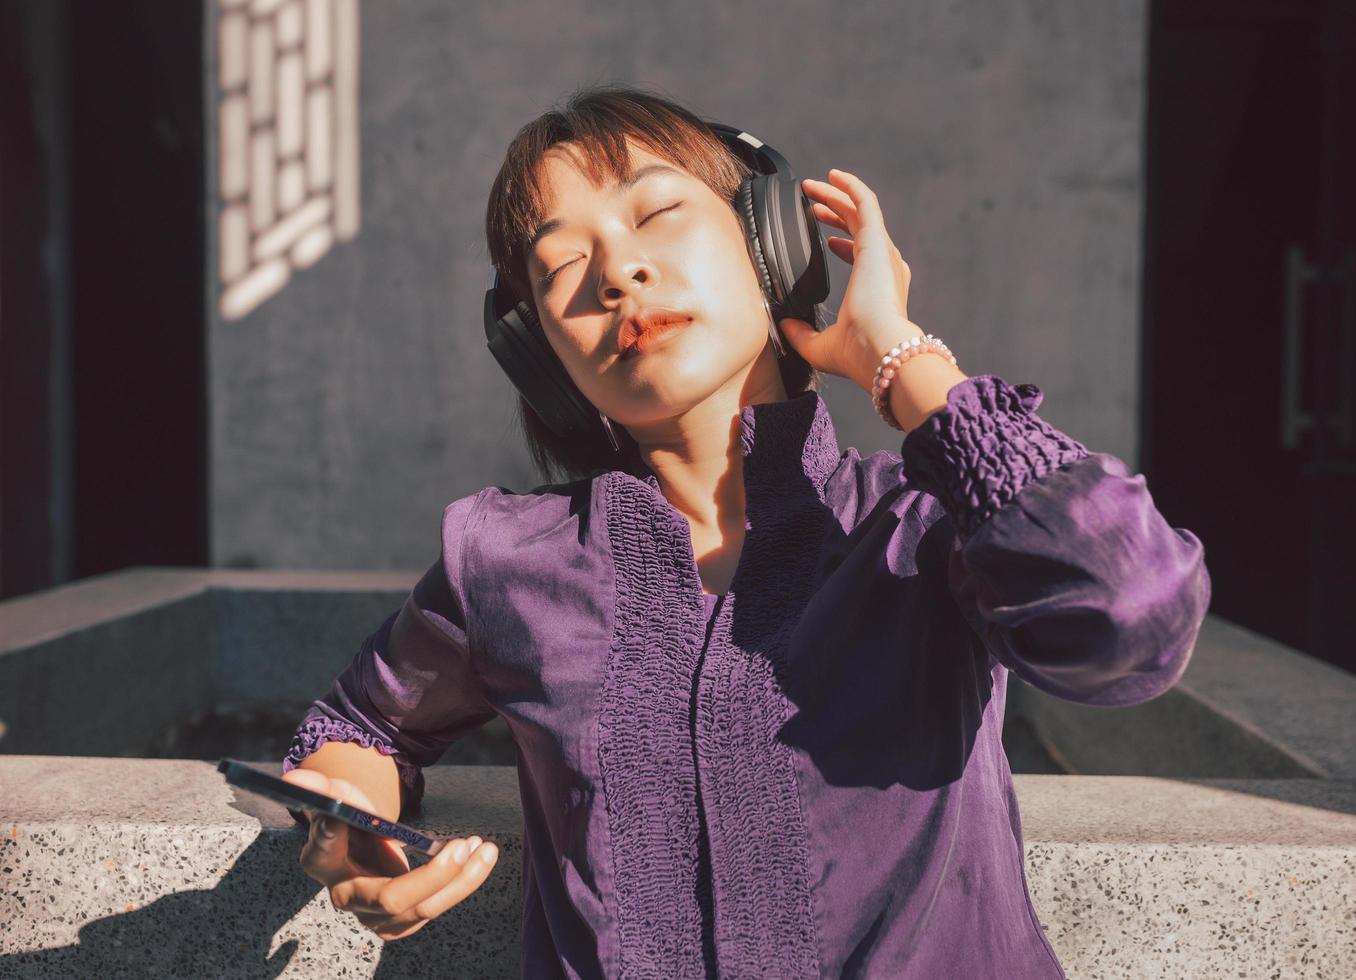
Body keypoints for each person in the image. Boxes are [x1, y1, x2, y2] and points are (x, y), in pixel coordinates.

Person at [280, 83, 1212, 978]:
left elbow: (1129, 616)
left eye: (656, 216)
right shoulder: (502, 558)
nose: (618, 272)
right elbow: (360, 725)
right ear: (537, 348)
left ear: (773, 245)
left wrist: (901, 357)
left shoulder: (926, 524)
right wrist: (349, 831)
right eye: (563, 264)